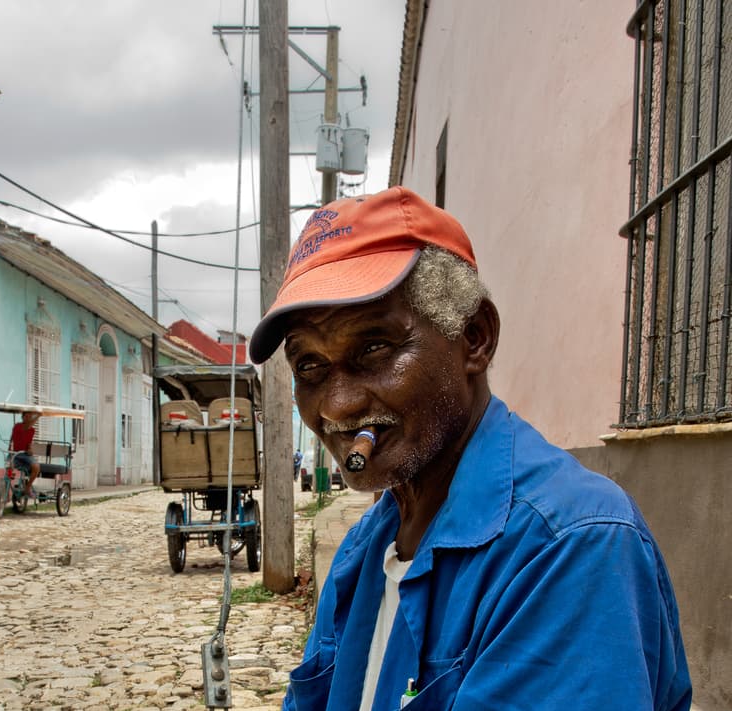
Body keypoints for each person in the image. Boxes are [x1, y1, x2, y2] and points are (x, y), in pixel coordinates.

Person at [248, 186, 692, 710]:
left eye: (374, 347)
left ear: (475, 337)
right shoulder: (367, 547)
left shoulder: (571, 547)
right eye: (310, 366)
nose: (339, 405)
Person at [10, 411, 41, 498]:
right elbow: (26, 427)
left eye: (30, 417)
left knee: (36, 467)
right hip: (15, 453)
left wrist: (30, 450)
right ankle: (6, 491)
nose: (28, 419)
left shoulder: (32, 430)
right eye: (26, 417)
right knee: (8, 467)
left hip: (25, 454)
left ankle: (27, 487)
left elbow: (29, 443)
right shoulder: (17, 426)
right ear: (22, 417)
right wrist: (38, 416)